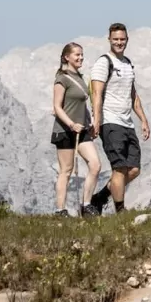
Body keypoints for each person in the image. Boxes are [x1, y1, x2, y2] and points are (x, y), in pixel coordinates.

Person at [88, 22, 150, 215]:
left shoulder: (128, 64)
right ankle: (120, 211)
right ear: (109, 40)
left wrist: (143, 120)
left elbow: (133, 95)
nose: (119, 42)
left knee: (134, 169)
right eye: (115, 39)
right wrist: (97, 120)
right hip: (110, 121)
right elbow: (96, 93)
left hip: (127, 123)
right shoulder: (104, 62)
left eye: (122, 39)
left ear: (127, 40)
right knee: (120, 168)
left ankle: (99, 198)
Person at [50, 43, 100, 217]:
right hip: (65, 130)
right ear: (67, 57)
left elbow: (82, 105)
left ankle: (86, 205)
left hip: (82, 130)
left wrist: (90, 122)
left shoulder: (79, 78)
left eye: (82, 55)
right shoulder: (62, 79)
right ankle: (60, 209)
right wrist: (71, 124)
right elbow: (56, 107)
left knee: (95, 165)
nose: (80, 58)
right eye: (77, 55)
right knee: (66, 170)